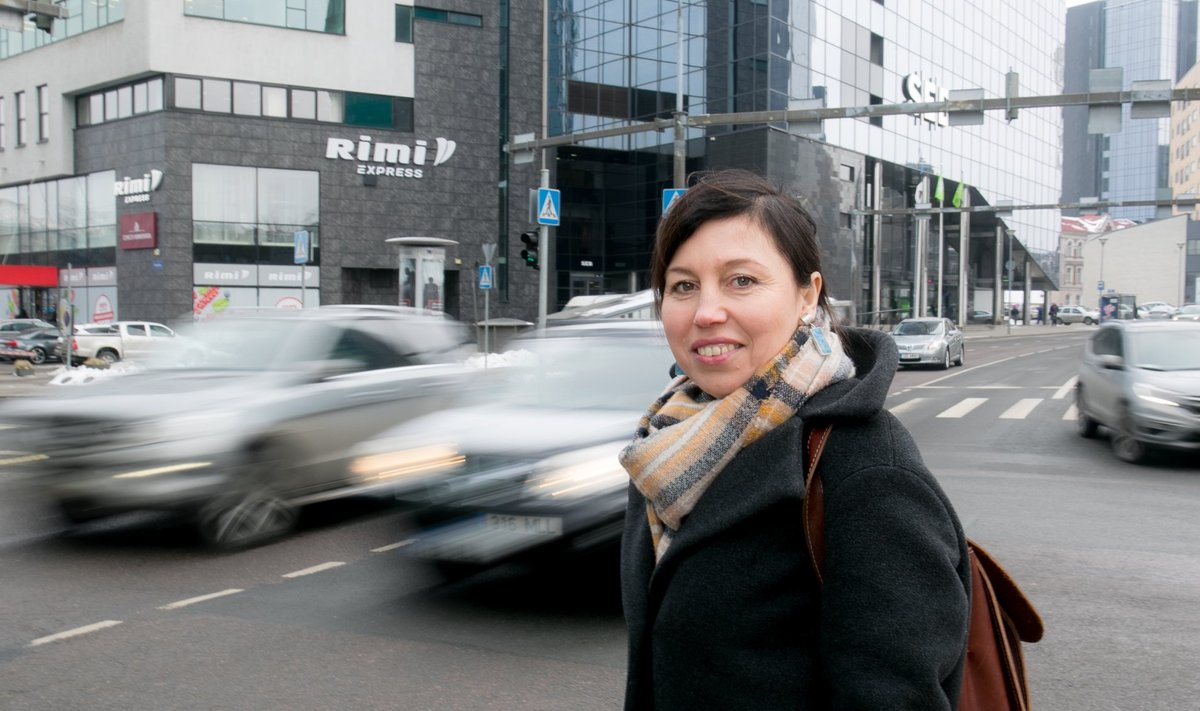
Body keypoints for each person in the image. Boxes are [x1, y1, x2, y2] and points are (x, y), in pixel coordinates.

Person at [618, 170, 970, 710]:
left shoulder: (866, 470)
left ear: (808, 295)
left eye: (742, 281)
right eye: (683, 285)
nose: (706, 312)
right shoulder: (665, 445)